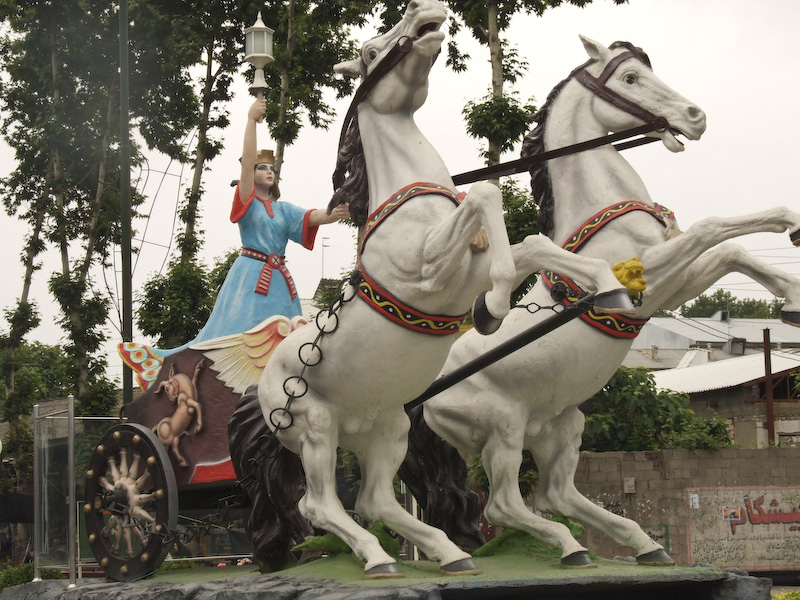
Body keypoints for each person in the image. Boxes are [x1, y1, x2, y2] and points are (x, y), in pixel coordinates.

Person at [128, 98, 349, 363]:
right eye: (262, 167)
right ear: (251, 172)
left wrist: (335, 212)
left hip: (280, 282)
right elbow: (245, 166)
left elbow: (314, 216)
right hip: (251, 277)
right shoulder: (247, 200)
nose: (269, 172)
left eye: (272, 169)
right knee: (239, 336)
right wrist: (250, 122)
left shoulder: (283, 209)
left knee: (286, 337)